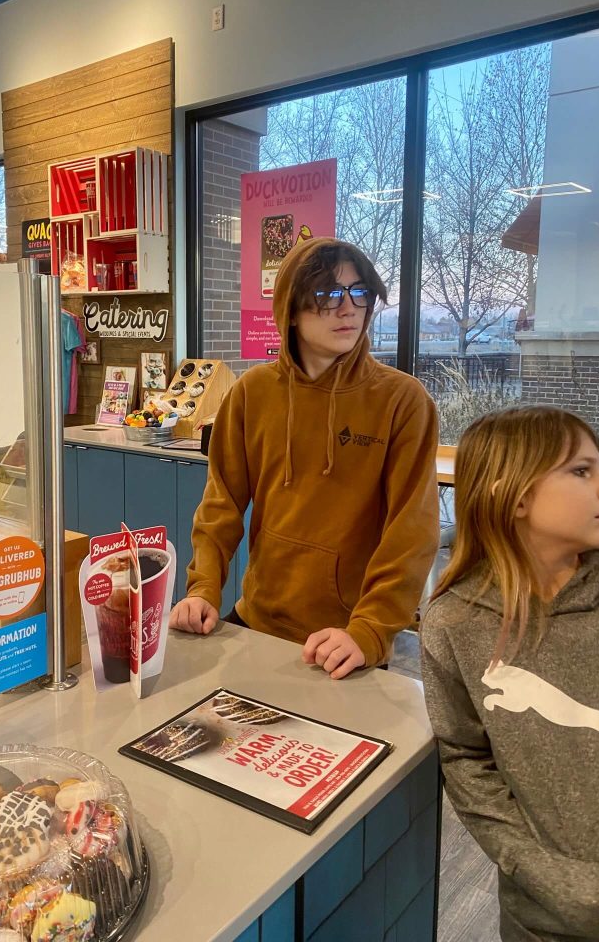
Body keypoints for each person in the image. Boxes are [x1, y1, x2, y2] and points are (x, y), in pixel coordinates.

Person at [170, 237, 440, 677]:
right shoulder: (252, 393)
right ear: (291, 310)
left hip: (346, 645)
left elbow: (412, 532)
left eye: (360, 292)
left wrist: (370, 630)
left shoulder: (402, 401)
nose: (349, 307)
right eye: (329, 294)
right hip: (254, 622)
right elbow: (221, 504)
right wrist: (202, 589)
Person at [420, 406, 599, 941]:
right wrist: (552, 880)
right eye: (581, 471)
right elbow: (466, 757)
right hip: (543, 921)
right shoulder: (454, 622)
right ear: (514, 497)